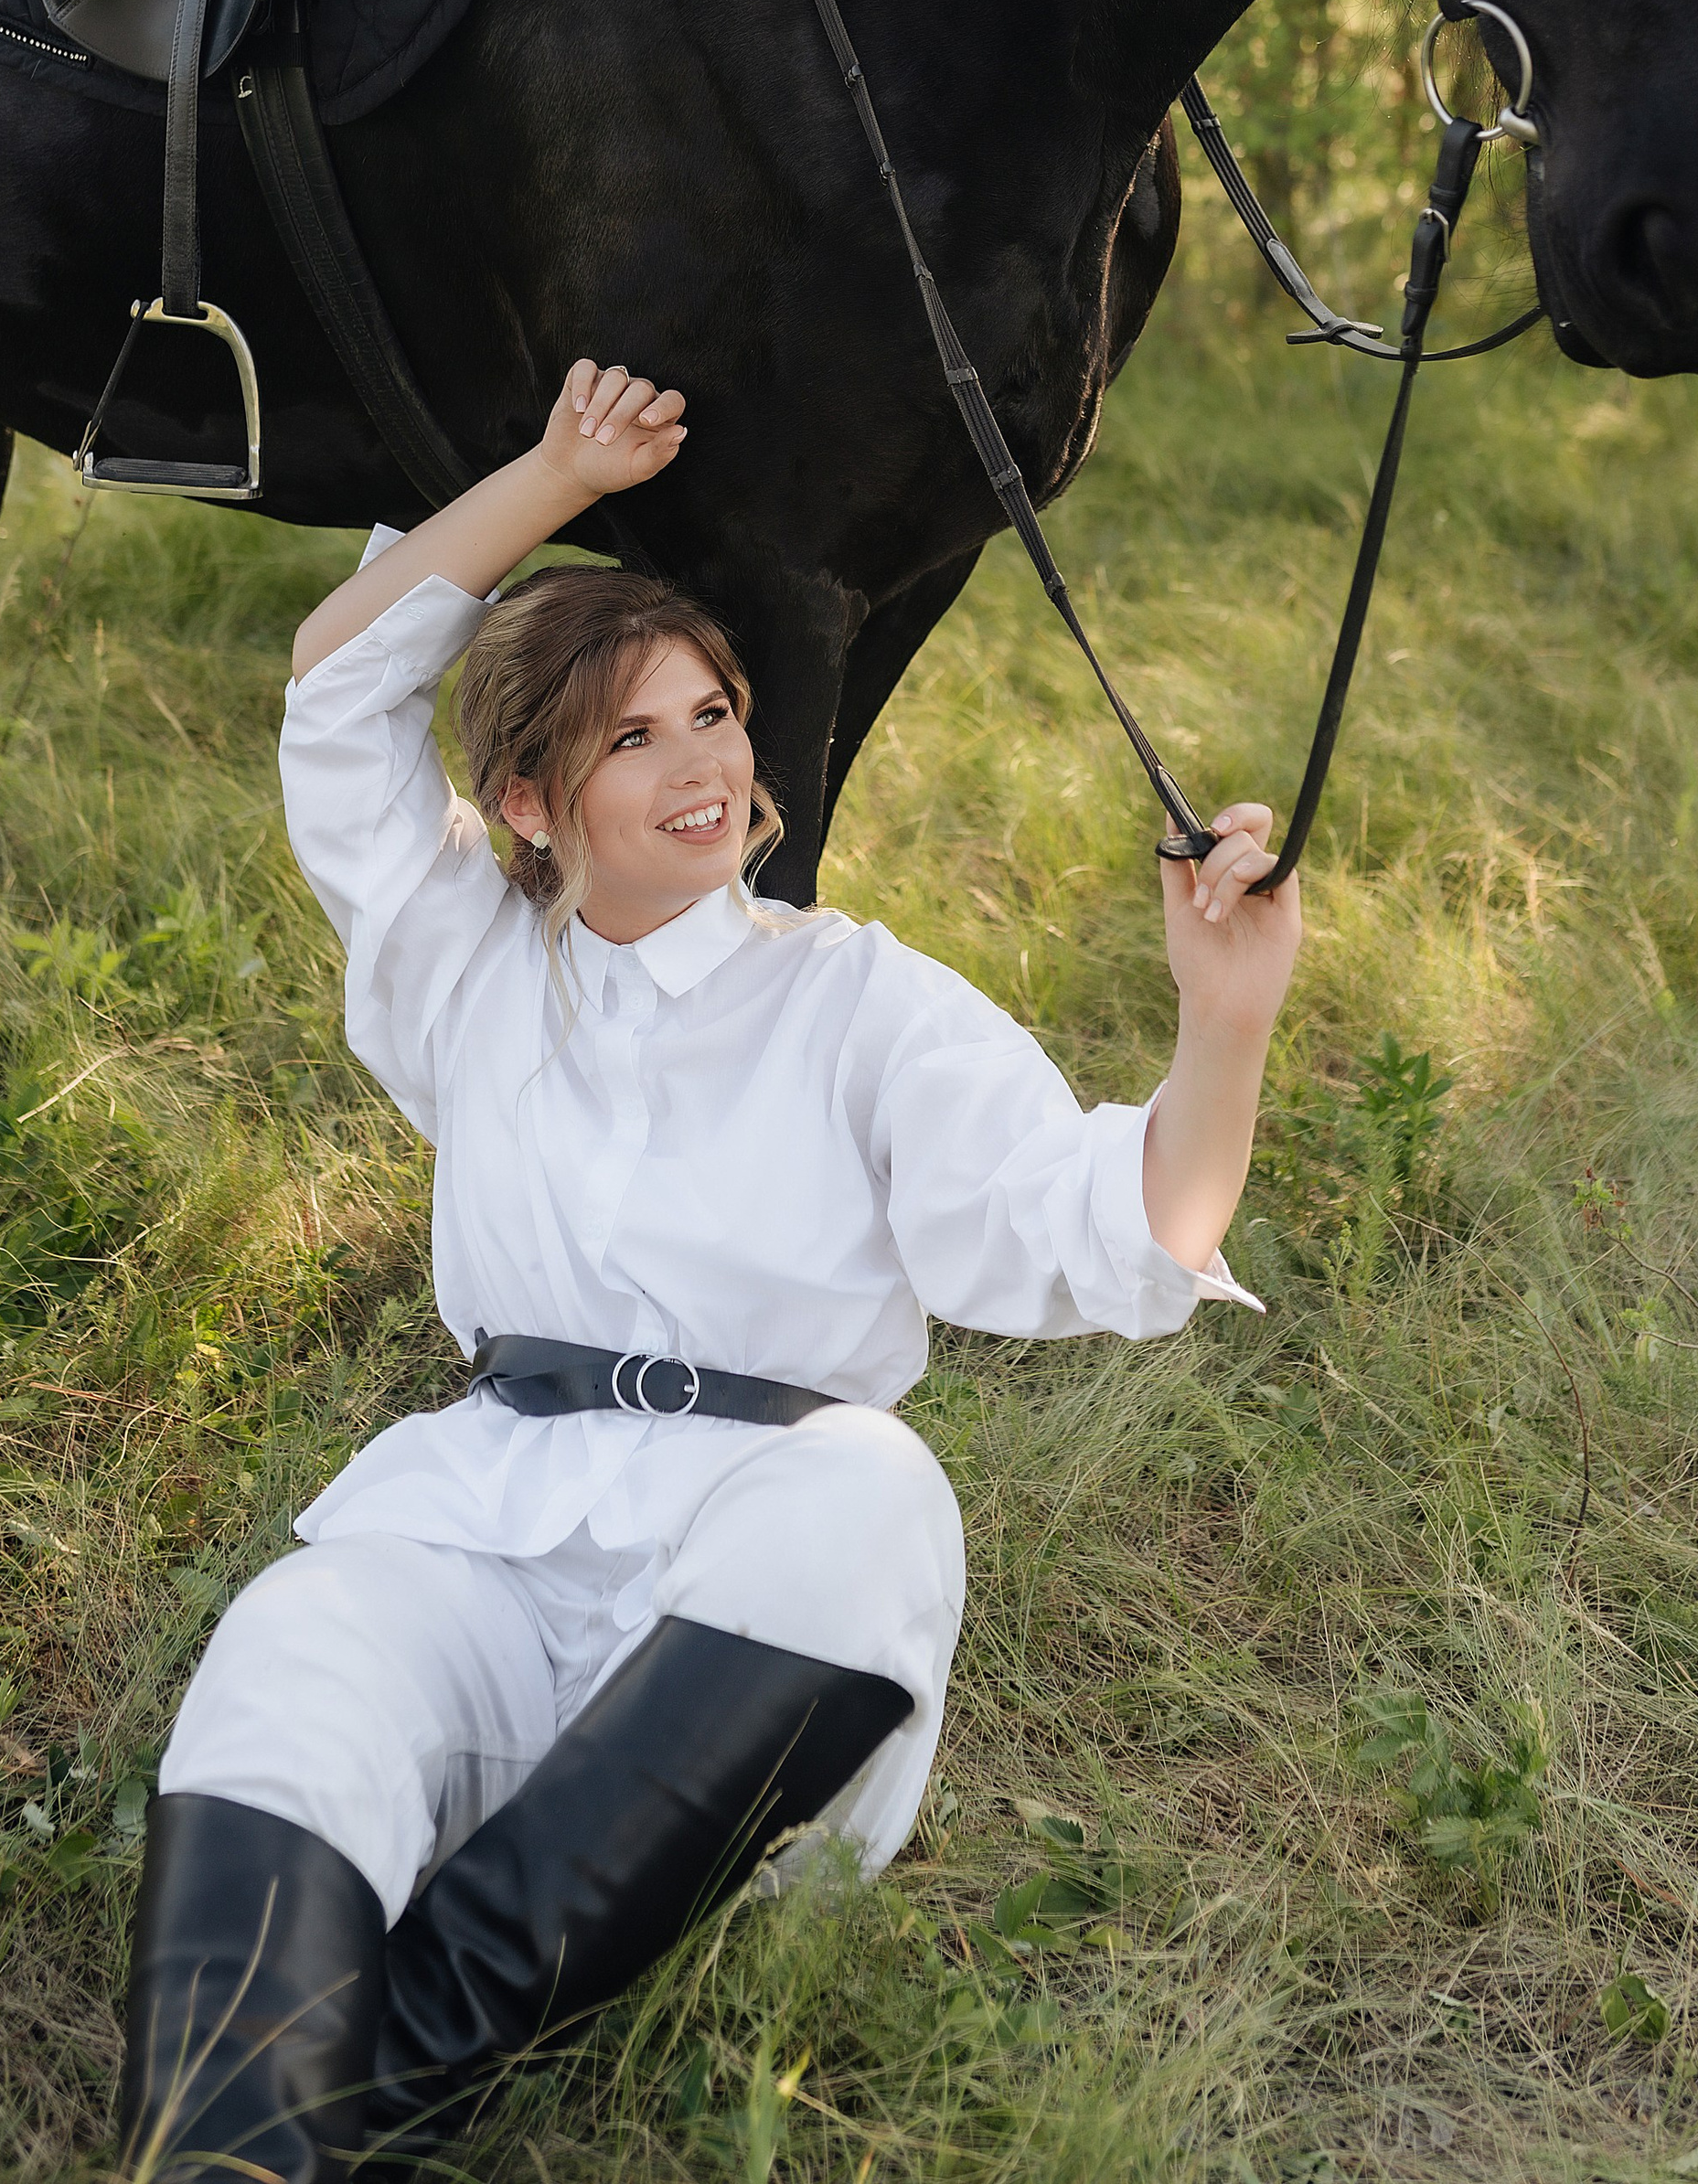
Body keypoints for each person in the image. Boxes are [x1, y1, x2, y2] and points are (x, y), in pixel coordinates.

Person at [117, 359, 1299, 2178]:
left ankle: (380, 2087)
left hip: (756, 1623)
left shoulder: (854, 995)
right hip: (493, 1526)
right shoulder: (461, 964)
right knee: (292, 1642)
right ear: (524, 801)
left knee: (872, 1482)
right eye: (634, 735)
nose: (704, 764)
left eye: (715, 711)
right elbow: (341, 684)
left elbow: (1114, 1220)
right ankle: (229, 2154)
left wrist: (1223, 1028)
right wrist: (554, 471)